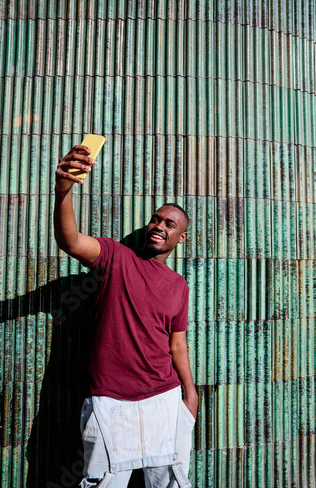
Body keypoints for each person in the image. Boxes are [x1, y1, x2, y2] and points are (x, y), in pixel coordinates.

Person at [54, 145, 198, 488]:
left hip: (165, 398)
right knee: (101, 483)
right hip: (109, 400)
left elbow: (177, 345)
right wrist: (64, 189)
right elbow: (70, 241)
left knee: (172, 484)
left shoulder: (179, 286)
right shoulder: (116, 257)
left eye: (169, 223)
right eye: (155, 219)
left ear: (181, 237)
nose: (159, 226)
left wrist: (190, 395)